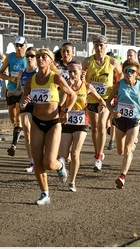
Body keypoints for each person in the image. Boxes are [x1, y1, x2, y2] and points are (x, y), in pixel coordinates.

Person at [19, 48, 77, 205]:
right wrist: (23, 102)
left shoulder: (56, 78)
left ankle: (60, 165)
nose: (40, 59)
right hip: (37, 122)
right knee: (37, 161)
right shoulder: (31, 80)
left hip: (53, 123)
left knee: (49, 163)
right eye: (38, 57)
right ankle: (45, 194)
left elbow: (73, 95)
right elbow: (24, 98)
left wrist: (65, 110)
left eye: (44, 57)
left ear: (51, 61)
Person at [57, 60, 106, 192]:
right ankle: (63, 169)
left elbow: (100, 100)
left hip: (81, 123)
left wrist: (102, 106)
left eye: (75, 71)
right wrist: (67, 87)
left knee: (75, 153)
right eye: (70, 72)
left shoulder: (87, 87)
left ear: (80, 72)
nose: (72, 74)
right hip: (66, 122)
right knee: (63, 155)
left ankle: (72, 181)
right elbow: (61, 103)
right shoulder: (65, 85)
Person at [106, 59, 140, 189]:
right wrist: (113, 112)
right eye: (126, 71)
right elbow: (108, 102)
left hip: (134, 120)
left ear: (137, 73)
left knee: (128, 148)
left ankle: (122, 176)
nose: (129, 73)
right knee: (120, 151)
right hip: (120, 120)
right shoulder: (118, 85)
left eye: (132, 71)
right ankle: (131, 148)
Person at [82, 35, 123, 172]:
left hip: (106, 99)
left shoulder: (111, 62)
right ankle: (97, 152)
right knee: (94, 128)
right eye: (97, 45)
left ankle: (98, 158)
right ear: (93, 46)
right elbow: (81, 76)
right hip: (92, 98)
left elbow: (121, 74)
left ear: (106, 47)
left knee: (101, 126)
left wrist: (116, 88)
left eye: (101, 45)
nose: (99, 48)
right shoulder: (87, 61)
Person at [8, 47, 38, 171]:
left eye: (32, 56)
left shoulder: (39, 73)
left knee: (39, 134)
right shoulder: (22, 73)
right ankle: (31, 162)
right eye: (27, 56)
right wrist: (13, 93)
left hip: (38, 106)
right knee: (27, 131)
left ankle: (41, 157)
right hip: (25, 105)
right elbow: (20, 89)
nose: (29, 58)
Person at [0, 36, 27, 156]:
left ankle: (13, 145)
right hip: (11, 90)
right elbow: (0, 73)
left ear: (25, 46)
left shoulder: (29, 58)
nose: (18, 48)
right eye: (17, 46)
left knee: (18, 119)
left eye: (21, 45)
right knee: (13, 118)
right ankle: (20, 131)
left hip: (22, 92)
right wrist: (11, 78)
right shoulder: (10, 57)